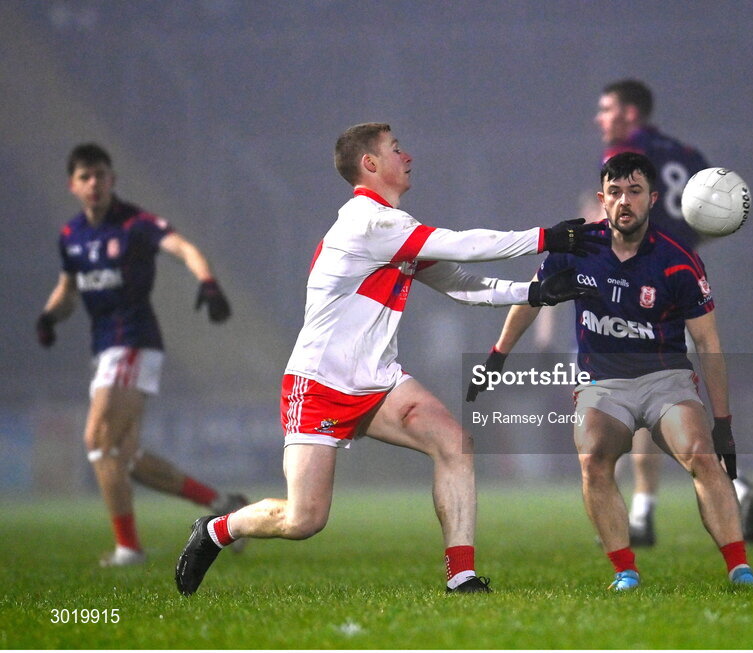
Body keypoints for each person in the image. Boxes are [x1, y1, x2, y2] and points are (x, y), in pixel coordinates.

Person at [174, 122, 601, 596]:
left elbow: (459, 282)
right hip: (319, 384)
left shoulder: (395, 230)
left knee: (454, 443)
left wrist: (535, 291)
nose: (409, 157)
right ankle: (215, 530)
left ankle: (461, 576)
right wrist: (545, 238)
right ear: (370, 164)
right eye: (396, 150)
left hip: (378, 380)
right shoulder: (369, 222)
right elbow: (464, 244)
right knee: (304, 518)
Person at [469, 152, 753, 590]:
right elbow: (532, 298)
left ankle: (740, 568)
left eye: (635, 192)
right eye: (616, 193)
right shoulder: (578, 247)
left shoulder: (679, 261)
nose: (625, 201)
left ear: (652, 200)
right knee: (594, 460)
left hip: (666, 380)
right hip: (602, 383)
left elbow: (708, 344)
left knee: (701, 454)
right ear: (603, 200)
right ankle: (626, 571)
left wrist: (724, 425)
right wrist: (498, 355)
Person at [36, 143, 249, 567]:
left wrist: (208, 283)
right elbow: (68, 288)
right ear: (73, 185)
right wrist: (48, 317)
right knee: (127, 458)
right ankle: (224, 503)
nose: (94, 183)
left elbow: (185, 248)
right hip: (105, 349)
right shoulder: (71, 236)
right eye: (85, 177)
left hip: (133, 341)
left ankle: (128, 549)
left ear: (112, 179)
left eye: (100, 174)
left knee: (98, 440)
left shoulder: (136, 223)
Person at [594, 78, 753, 546]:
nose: (601, 118)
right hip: (679, 285)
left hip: (644, 294)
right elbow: (719, 212)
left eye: (607, 109)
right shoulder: (688, 154)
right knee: (645, 402)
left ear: (631, 114)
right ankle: (645, 513)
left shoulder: (624, 156)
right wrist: (684, 248)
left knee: (642, 400)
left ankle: (733, 488)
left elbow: (614, 224)